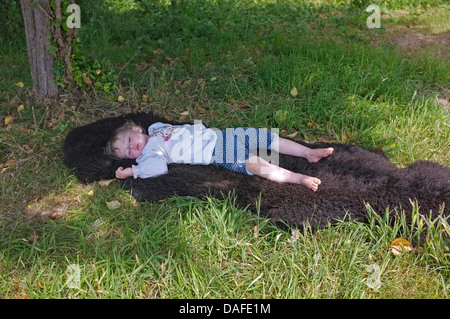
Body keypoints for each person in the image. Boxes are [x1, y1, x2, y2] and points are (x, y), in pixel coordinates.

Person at [105, 121, 333, 192]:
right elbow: (158, 170)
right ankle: (297, 177)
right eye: (127, 153)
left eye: (127, 141)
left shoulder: (155, 129)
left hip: (220, 135)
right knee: (256, 165)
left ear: (135, 129)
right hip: (215, 151)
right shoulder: (150, 155)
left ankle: (307, 152)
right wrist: (134, 170)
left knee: (264, 138)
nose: (131, 149)